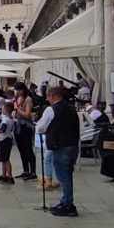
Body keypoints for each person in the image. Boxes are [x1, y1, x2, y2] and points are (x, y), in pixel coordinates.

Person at [37, 85, 80, 217]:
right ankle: (66, 201)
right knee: (67, 174)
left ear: (53, 96)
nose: (47, 99)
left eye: (48, 96)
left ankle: (68, 204)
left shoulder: (51, 110)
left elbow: (40, 127)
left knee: (63, 176)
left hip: (60, 145)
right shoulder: (72, 108)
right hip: (72, 145)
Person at [13, 84, 37, 180]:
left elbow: (27, 115)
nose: (17, 92)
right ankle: (25, 170)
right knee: (21, 149)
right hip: (18, 126)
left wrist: (17, 109)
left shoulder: (28, 99)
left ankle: (33, 171)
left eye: (19, 90)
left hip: (26, 127)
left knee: (28, 149)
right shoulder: (17, 99)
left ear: (23, 90)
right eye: (16, 90)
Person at [0, 101, 17, 185]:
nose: (2, 110)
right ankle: (4, 175)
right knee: (3, 159)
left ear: (6, 110)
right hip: (8, 138)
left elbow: (2, 130)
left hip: (4, 139)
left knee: (6, 159)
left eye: (3, 108)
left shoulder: (5, 120)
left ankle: (10, 176)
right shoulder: (11, 118)